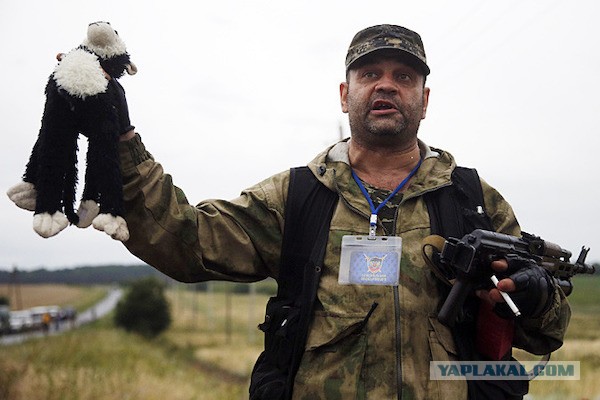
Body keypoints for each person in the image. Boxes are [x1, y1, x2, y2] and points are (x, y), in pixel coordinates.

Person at [116, 24, 570, 399]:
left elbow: (545, 333)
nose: (386, 84)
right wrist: (120, 143)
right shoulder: (296, 195)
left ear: (425, 101)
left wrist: (536, 297)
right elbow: (187, 240)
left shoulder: (471, 199)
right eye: (369, 73)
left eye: (405, 77)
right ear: (344, 93)